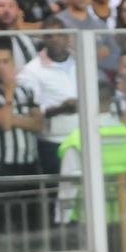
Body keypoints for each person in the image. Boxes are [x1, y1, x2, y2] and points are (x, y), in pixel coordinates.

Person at [0, 37, 43, 245]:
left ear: (13, 64)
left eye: (5, 61)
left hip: (29, 164)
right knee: (1, 226)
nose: (1, 67)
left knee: (31, 226)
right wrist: (9, 94)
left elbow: (39, 125)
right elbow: (3, 123)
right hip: (0, 168)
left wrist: (12, 119)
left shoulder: (27, 89)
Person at [17, 15, 77, 174]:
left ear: (67, 37)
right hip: (53, 142)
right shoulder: (31, 71)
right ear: (43, 38)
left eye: (60, 35)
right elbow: (30, 113)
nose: (55, 40)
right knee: (56, 192)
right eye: (50, 35)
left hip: (82, 137)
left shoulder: (81, 61)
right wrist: (61, 109)